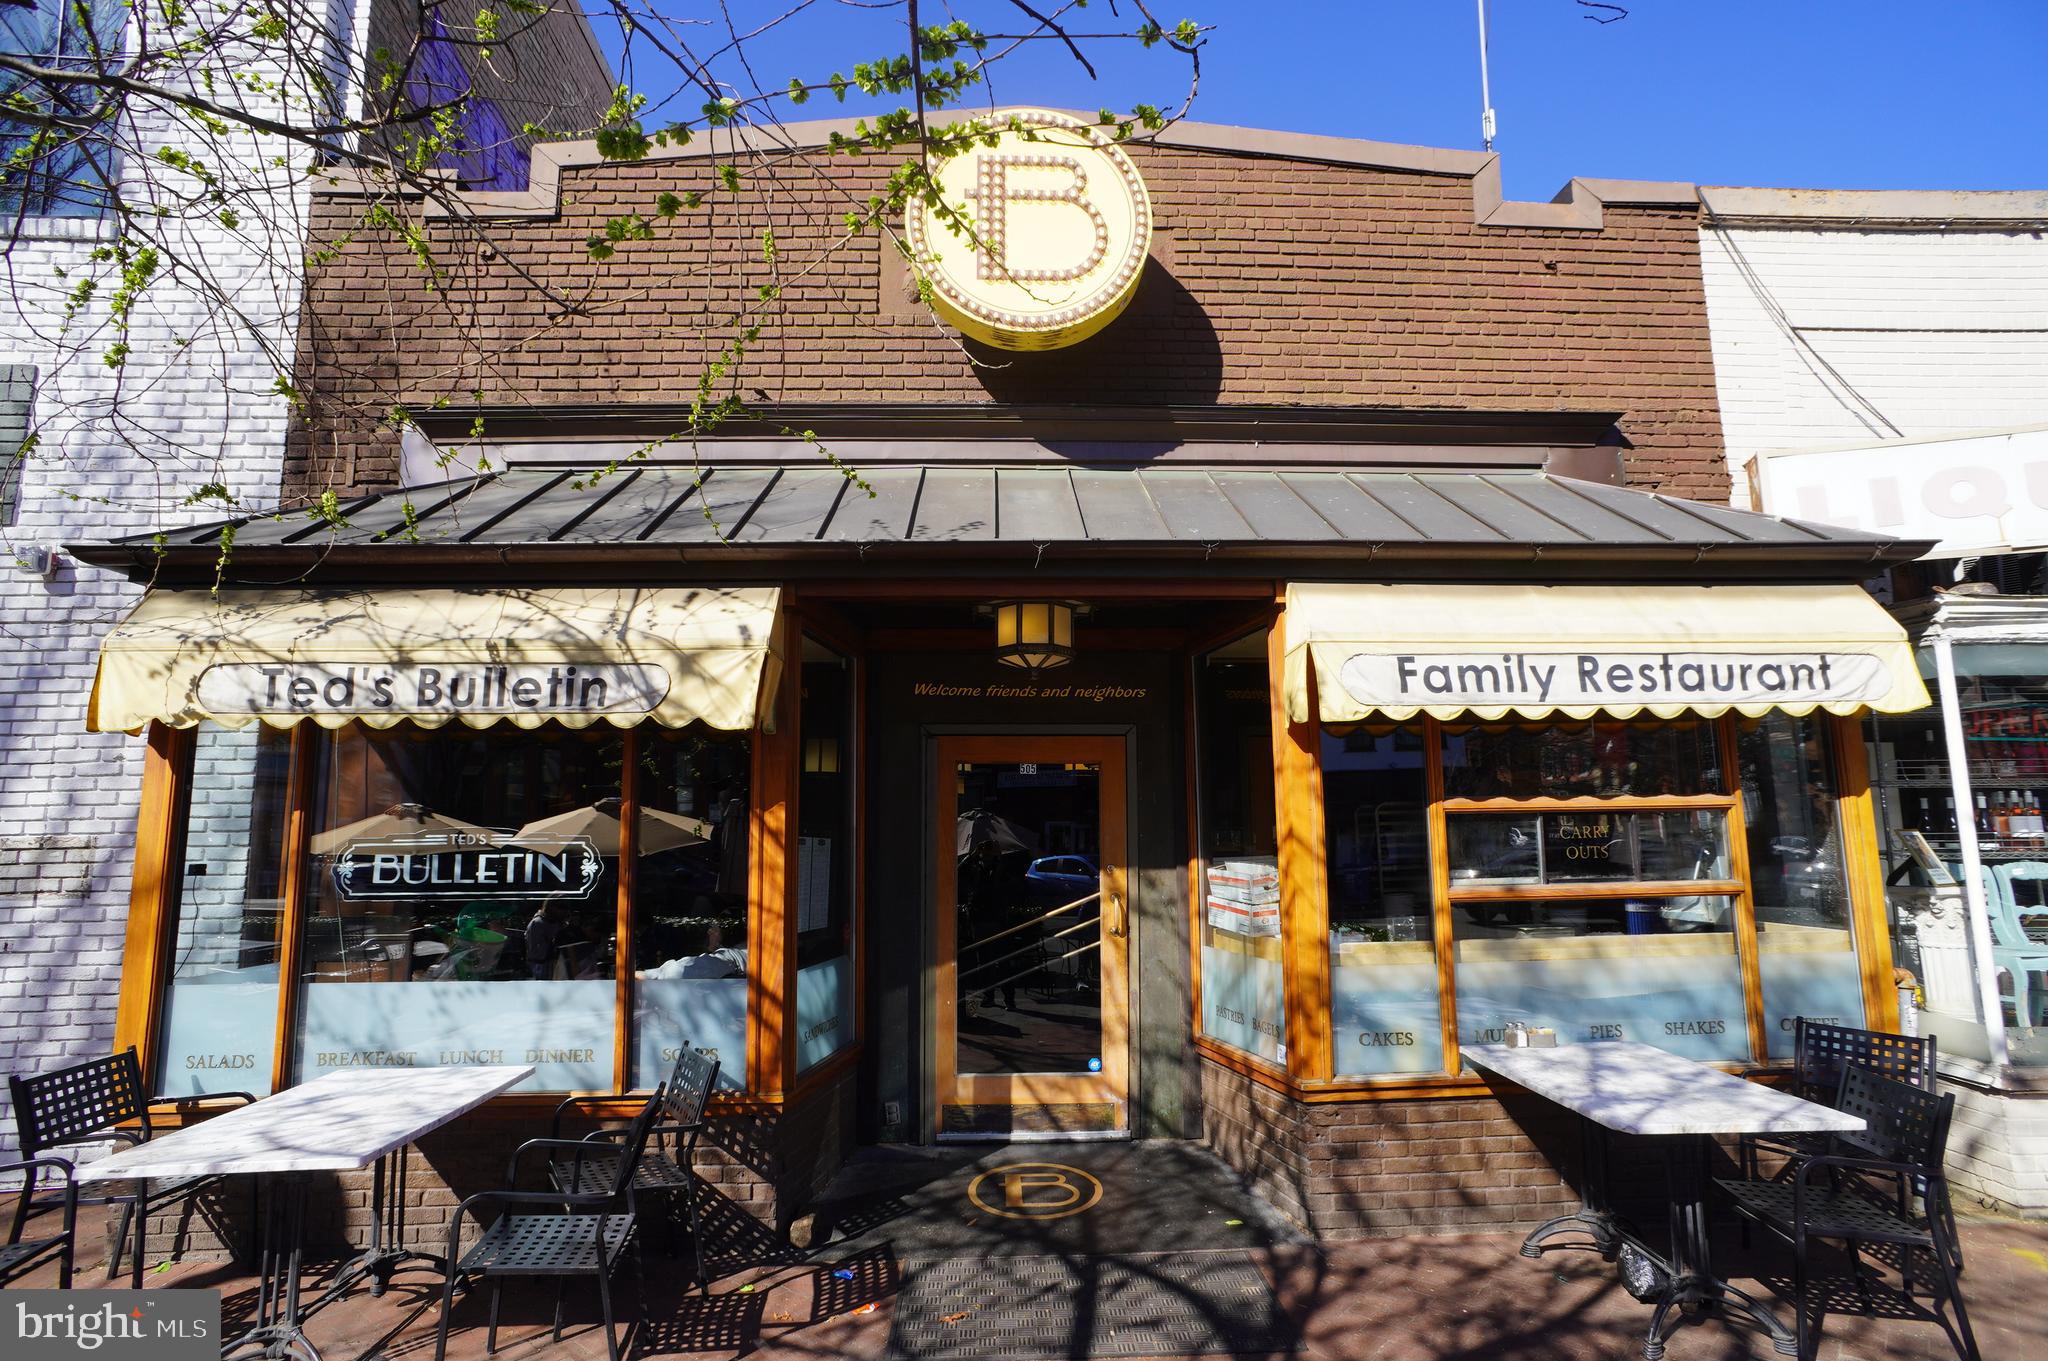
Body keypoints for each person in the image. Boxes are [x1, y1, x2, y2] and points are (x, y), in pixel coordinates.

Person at [525, 901, 571, 979]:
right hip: (541, 967)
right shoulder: (537, 923)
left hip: (554, 964)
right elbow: (536, 953)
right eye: (560, 908)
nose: (563, 912)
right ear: (551, 907)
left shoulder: (556, 923)